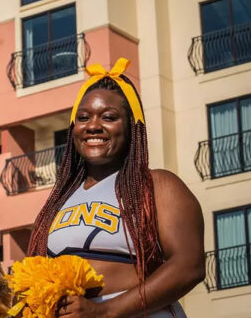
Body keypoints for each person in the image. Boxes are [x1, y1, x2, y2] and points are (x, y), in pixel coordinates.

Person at [27, 59, 205, 317]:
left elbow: (190, 265)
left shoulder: (158, 185)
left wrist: (104, 311)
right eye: (83, 117)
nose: (93, 126)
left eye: (109, 117)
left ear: (132, 127)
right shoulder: (59, 201)